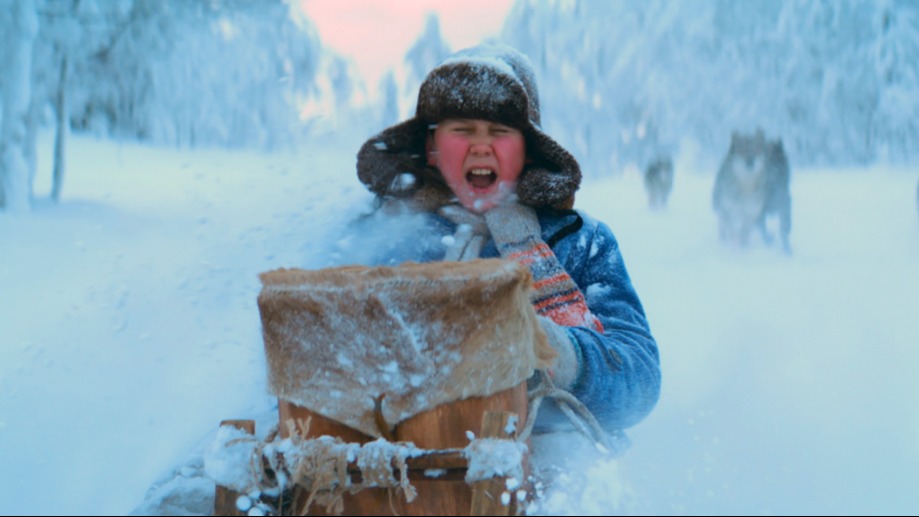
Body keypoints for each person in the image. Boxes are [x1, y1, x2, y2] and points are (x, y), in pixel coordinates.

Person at [353, 44, 660, 448]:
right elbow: (313, 357)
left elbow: (639, 381)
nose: (482, 146)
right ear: (431, 147)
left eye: (500, 132)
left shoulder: (581, 241)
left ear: (529, 150)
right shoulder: (380, 239)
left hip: (549, 461)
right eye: (462, 130)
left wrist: (559, 352)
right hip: (401, 465)